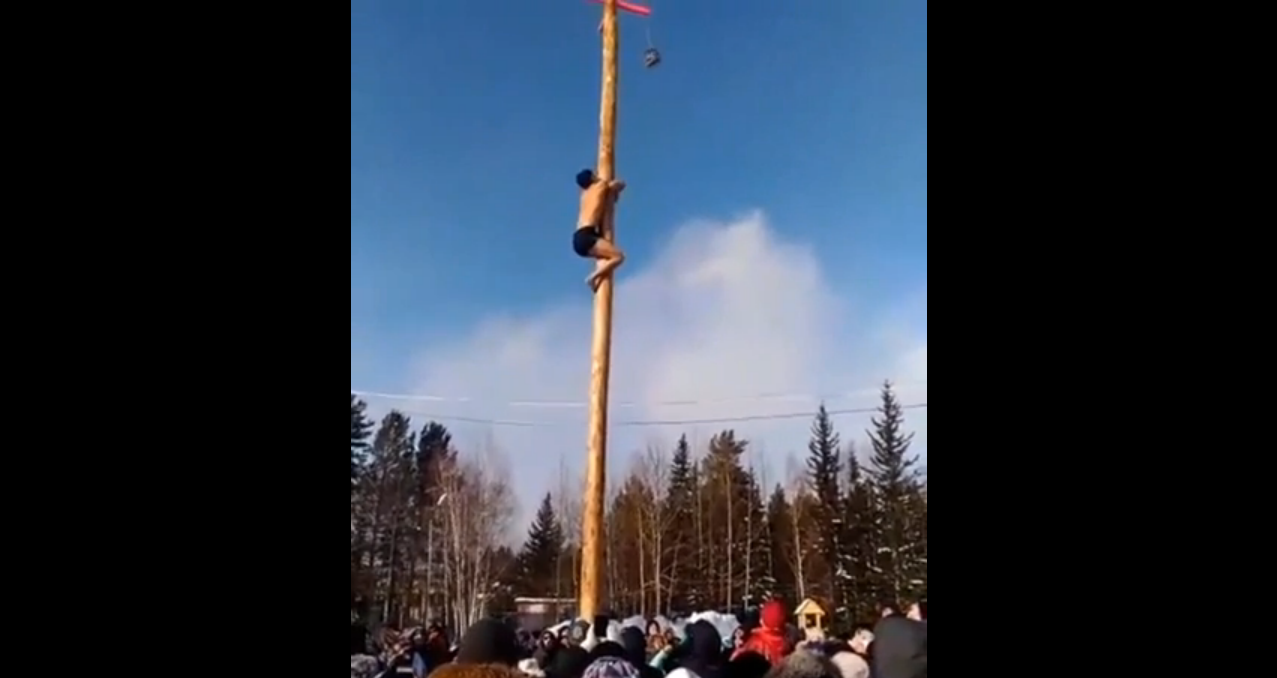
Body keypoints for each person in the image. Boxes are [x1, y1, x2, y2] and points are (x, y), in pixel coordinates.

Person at [574, 169, 627, 291]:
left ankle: (597, 278)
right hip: (587, 236)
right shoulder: (601, 185)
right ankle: (593, 277)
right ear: (592, 177)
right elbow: (620, 184)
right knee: (619, 256)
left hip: (579, 237)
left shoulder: (584, 195)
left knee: (606, 255)